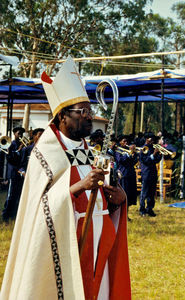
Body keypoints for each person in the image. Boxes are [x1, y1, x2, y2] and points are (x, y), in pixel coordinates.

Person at [0, 56, 131, 300]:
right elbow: (38, 211)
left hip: (97, 247)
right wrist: (79, 187)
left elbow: (98, 198)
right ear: (62, 116)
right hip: (63, 249)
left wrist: (116, 200)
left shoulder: (86, 150)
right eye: (82, 112)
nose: (89, 116)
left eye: (90, 111)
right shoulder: (45, 153)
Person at [1, 126, 25, 222]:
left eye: (22, 134)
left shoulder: (22, 144)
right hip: (13, 173)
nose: (20, 135)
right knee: (11, 195)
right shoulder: (10, 144)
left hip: (20, 173)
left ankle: (14, 214)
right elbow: (10, 158)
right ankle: (5, 214)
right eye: (19, 133)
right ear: (14, 133)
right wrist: (19, 151)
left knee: (18, 194)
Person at [139, 132, 162, 217]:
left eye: (153, 139)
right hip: (146, 173)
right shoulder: (143, 148)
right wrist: (154, 154)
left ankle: (150, 209)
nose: (153, 141)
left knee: (151, 193)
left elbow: (155, 161)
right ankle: (142, 209)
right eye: (151, 139)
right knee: (144, 193)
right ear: (147, 139)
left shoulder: (153, 148)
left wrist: (159, 155)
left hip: (153, 173)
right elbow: (145, 161)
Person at [115, 136, 138, 217]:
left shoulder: (129, 151)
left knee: (129, 196)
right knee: (123, 195)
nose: (126, 143)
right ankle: (120, 215)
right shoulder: (118, 150)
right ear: (120, 142)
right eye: (124, 141)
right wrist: (128, 154)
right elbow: (120, 160)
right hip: (123, 175)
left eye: (127, 141)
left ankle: (126, 215)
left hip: (131, 174)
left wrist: (134, 154)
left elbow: (134, 161)